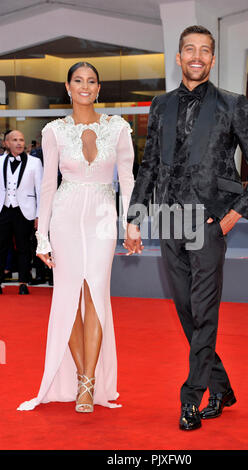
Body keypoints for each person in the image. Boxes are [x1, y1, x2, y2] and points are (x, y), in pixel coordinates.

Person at [125, 25, 248, 431]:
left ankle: (191, 397)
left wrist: (232, 215)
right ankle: (221, 386)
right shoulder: (159, 105)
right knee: (188, 312)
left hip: (208, 222)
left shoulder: (233, 104)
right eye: (189, 49)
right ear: (178, 57)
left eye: (204, 50)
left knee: (205, 312)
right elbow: (149, 166)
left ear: (212, 58)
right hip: (169, 219)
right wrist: (135, 219)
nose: (196, 56)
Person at [17, 62, 134, 413]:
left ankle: (89, 383)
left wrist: (131, 222)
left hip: (102, 216)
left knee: (95, 291)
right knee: (69, 295)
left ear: (99, 88)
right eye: (78, 81)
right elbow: (48, 185)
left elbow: (128, 180)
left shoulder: (118, 128)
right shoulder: (54, 130)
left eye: (92, 81)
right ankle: (84, 378)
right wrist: (42, 236)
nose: (85, 86)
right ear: (68, 86)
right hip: (65, 218)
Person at [0, 130, 43, 295]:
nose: (19, 143)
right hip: (3, 209)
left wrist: (39, 215)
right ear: (6, 143)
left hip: (25, 210)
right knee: (1, 246)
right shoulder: (0, 161)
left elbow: (40, 190)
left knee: (23, 248)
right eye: (15, 140)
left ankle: (23, 282)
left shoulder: (35, 162)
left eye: (21, 140)